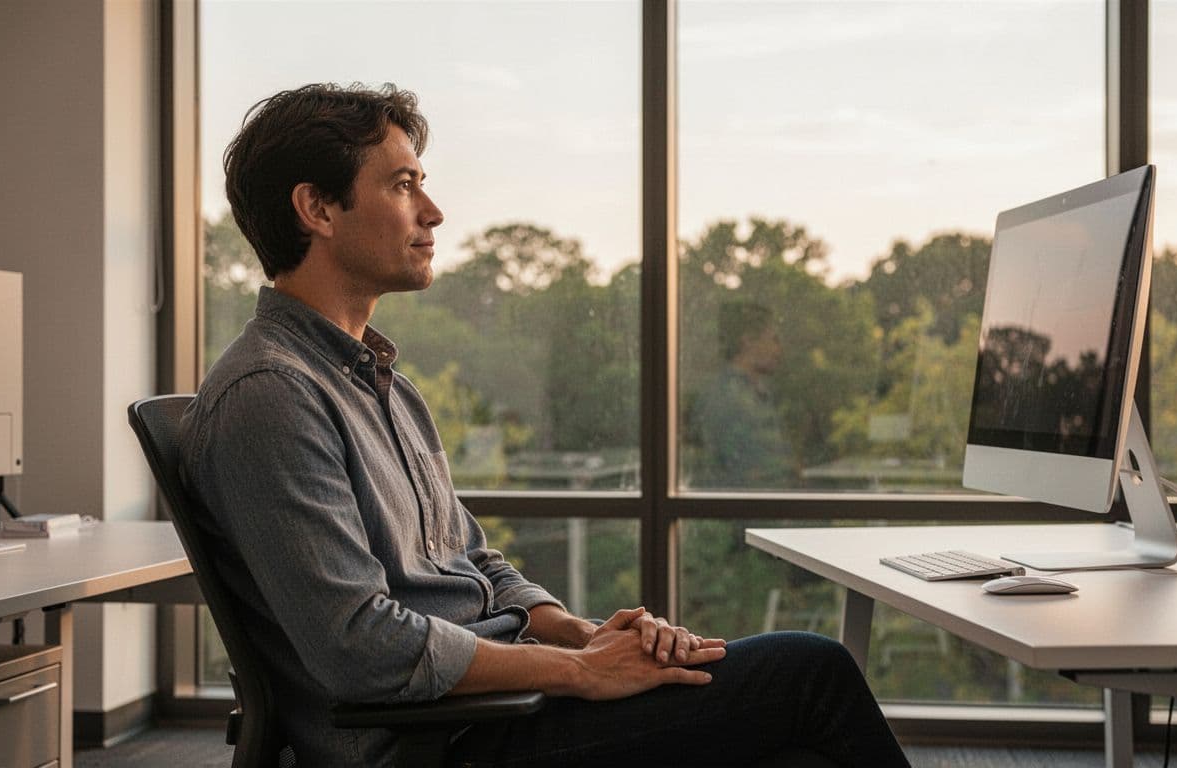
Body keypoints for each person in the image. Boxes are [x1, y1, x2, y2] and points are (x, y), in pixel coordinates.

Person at [179, 82, 910, 768]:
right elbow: (359, 645)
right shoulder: (270, 396)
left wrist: (580, 631)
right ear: (318, 209)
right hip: (443, 740)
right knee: (811, 670)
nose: (432, 212)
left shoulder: (383, 385)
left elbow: (473, 563)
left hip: (502, 703)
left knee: (798, 753)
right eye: (403, 186)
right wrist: (580, 673)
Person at [691, 300, 797, 488]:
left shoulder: (758, 395)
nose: (778, 350)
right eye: (773, 339)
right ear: (748, 340)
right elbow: (739, 472)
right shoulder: (726, 398)